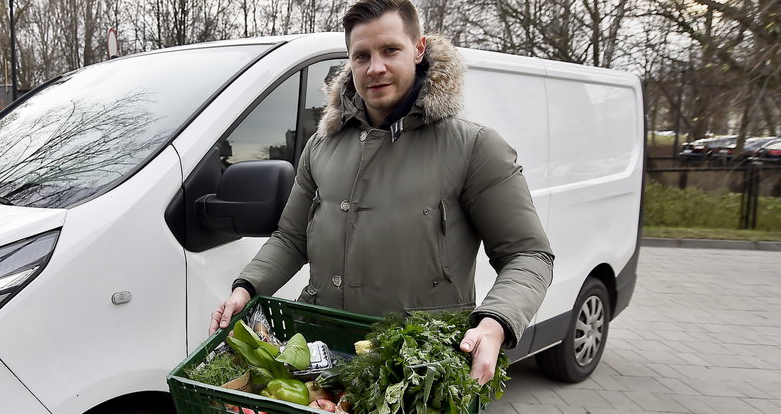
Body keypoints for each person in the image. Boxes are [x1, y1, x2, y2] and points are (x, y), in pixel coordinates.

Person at [209, 0, 554, 385]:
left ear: (419, 49)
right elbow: (291, 237)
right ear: (350, 61)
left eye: (390, 50)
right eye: (362, 55)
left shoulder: (473, 146)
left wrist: (496, 323)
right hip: (324, 360)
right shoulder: (322, 147)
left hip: (418, 368)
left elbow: (529, 255)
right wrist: (247, 286)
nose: (375, 68)